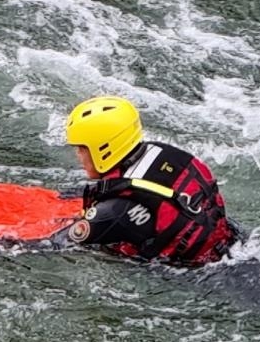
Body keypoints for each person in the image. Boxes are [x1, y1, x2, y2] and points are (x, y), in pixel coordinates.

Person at [56, 96, 241, 266]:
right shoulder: (161, 153)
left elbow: (54, 245)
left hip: (196, 274)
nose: (78, 154)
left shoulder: (114, 211)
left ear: (103, 149)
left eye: (82, 148)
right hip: (234, 244)